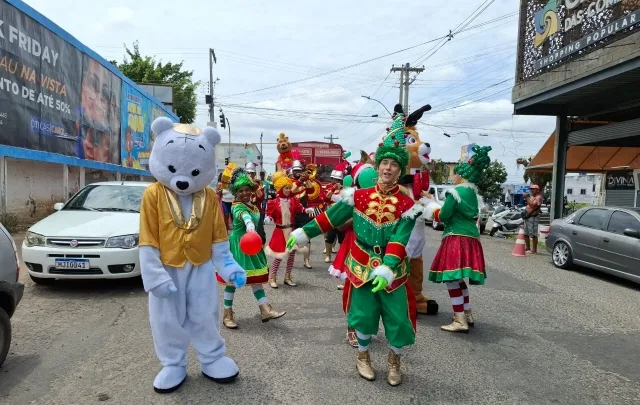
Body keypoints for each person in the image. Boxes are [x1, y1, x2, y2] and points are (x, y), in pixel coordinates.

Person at [288, 113, 422, 387]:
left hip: (393, 271)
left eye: (393, 165)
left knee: (397, 318)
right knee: (363, 315)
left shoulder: (407, 204)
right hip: (361, 263)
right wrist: (304, 232)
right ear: (378, 165)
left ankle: (394, 360)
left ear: (400, 170)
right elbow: (331, 217)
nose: (387, 168)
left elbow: (400, 236)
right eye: (384, 162)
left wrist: (388, 265)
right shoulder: (358, 196)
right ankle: (363, 355)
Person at [428, 145, 491, 334]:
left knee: (452, 279)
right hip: (471, 237)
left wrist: (432, 209)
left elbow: (444, 215)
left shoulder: (455, 192)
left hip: (456, 237)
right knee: (459, 279)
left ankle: (459, 319)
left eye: (456, 173)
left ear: (462, 176)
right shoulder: (472, 193)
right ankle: (467, 313)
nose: (454, 176)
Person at [219, 167, 285, 329]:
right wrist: (249, 225)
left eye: (246, 190)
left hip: (251, 245)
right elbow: (244, 216)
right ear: (236, 193)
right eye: (240, 191)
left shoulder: (253, 206)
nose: (244, 193)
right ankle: (227, 314)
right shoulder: (237, 206)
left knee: (255, 280)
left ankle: (264, 309)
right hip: (238, 246)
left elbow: (254, 215)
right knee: (232, 281)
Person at [266, 171, 315, 288]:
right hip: (279, 231)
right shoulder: (274, 202)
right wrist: (267, 217)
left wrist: (306, 210)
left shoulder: (292, 200)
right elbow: (269, 213)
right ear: (280, 189)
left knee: (291, 254)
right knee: (279, 255)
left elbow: (300, 208)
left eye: (289, 188)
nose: (288, 190)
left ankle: (287, 277)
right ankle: (272, 278)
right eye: (285, 188)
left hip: (291, 230)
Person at [523, 184, 543, 254]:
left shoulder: (538, 197)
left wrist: (526, 198)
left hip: (533, 217)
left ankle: (534, 249)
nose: (531, 190)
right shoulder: (532, 196)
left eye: (533, 189)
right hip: (528, 216)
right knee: (526, 233)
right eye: (531, 189)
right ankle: (528, 247)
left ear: (537, 190)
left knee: (533, 233)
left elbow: (533, 205)